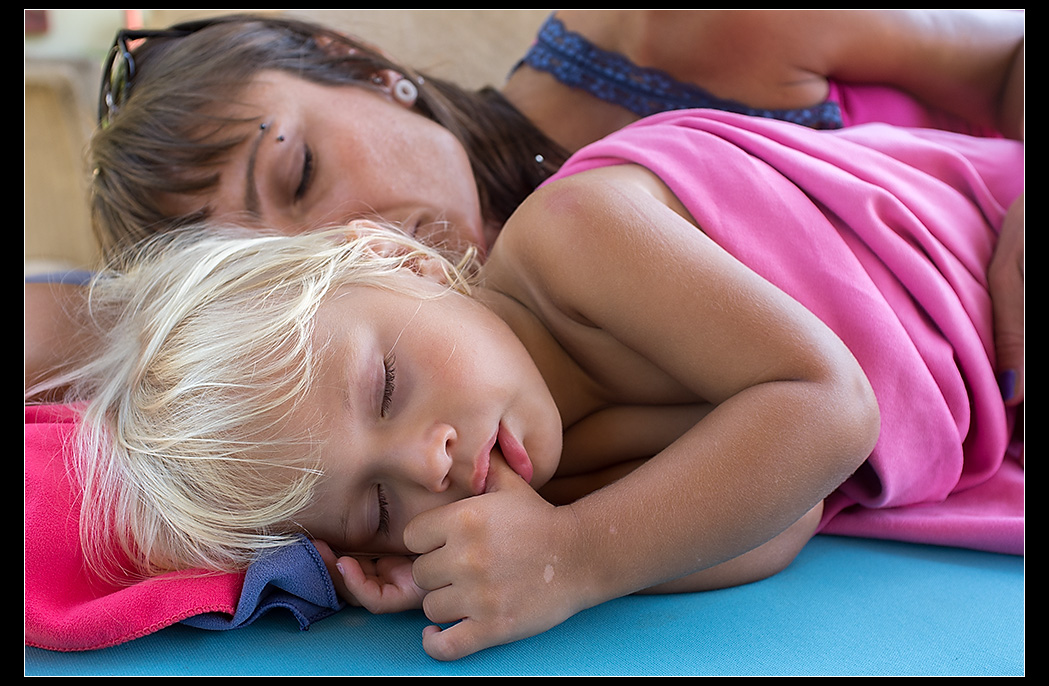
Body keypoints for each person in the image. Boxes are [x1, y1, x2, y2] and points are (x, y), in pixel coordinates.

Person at [41, 98, 1022, 659]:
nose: (425, 463)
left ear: (406, 263)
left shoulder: (576, 238)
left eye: (386, 387)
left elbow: (829, 411)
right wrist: (506, 559)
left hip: (989, 247)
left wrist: (577, 560)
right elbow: (784, 509)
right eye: (377, 504)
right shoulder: (534, 477)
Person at [25, 11, 1025, 404]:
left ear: (360, 66)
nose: (342, 249)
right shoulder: (465, 377)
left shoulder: (685, 30)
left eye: (297, 177)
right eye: (270, 270)